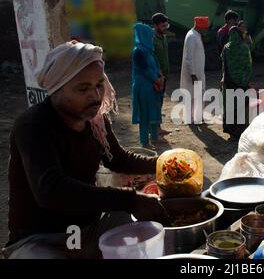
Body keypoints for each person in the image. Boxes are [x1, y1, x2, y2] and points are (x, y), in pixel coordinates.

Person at [2, 41, 169, 259]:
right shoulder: (33, 125)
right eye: (83, 88)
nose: (95, 95)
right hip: (40, 239)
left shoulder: (95, 120)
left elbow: (118, 160)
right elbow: (51, 191)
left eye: (99, 84)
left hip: (90, 230)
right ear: (57, 89)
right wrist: (130, 198)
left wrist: (167, 163)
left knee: (142, 225)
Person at [132, 23, 164, 148]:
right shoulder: (138, 51)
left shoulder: (149, 50)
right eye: (150, 36)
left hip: (153, 85)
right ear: (144, 35)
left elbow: (156, 66)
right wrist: (156, 79)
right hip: (143, 86)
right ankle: (145, 142)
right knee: (145, 113)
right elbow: (144, 69)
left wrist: (160, 76)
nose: (151, 38)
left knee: (155, 109)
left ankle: (155, 137)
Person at [221, 26, 253, 139]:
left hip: (229, 82)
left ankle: (231, 131)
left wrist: (223, 79)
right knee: (240, 106)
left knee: (230, 106)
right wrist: (246, 79)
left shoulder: (226, 47)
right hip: (242, 84)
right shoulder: (244, 48)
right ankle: (240, 131)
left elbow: (224, 65)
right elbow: (248, 65)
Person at [180, 17, 209, 124]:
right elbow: (188, 58)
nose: (205, 30)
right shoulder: (192, 36)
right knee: (191, 96)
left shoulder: (196, 35)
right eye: (204, 28)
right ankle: (190, 119)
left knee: (199, 95)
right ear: (199, 27)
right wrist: (192, 74)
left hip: (199, 72)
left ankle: (198, 117)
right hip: (193, 73)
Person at [152, 13, 171, 135]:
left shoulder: (163, 37)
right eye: (163, 26)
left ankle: (157, 127)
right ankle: (154, 129)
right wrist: (157, 75)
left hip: (164, 76)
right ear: (155, 25)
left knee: (160, 102)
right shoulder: (151, 39)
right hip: (156, 77)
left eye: (166, 25)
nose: (165, 28)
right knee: (155, 103)